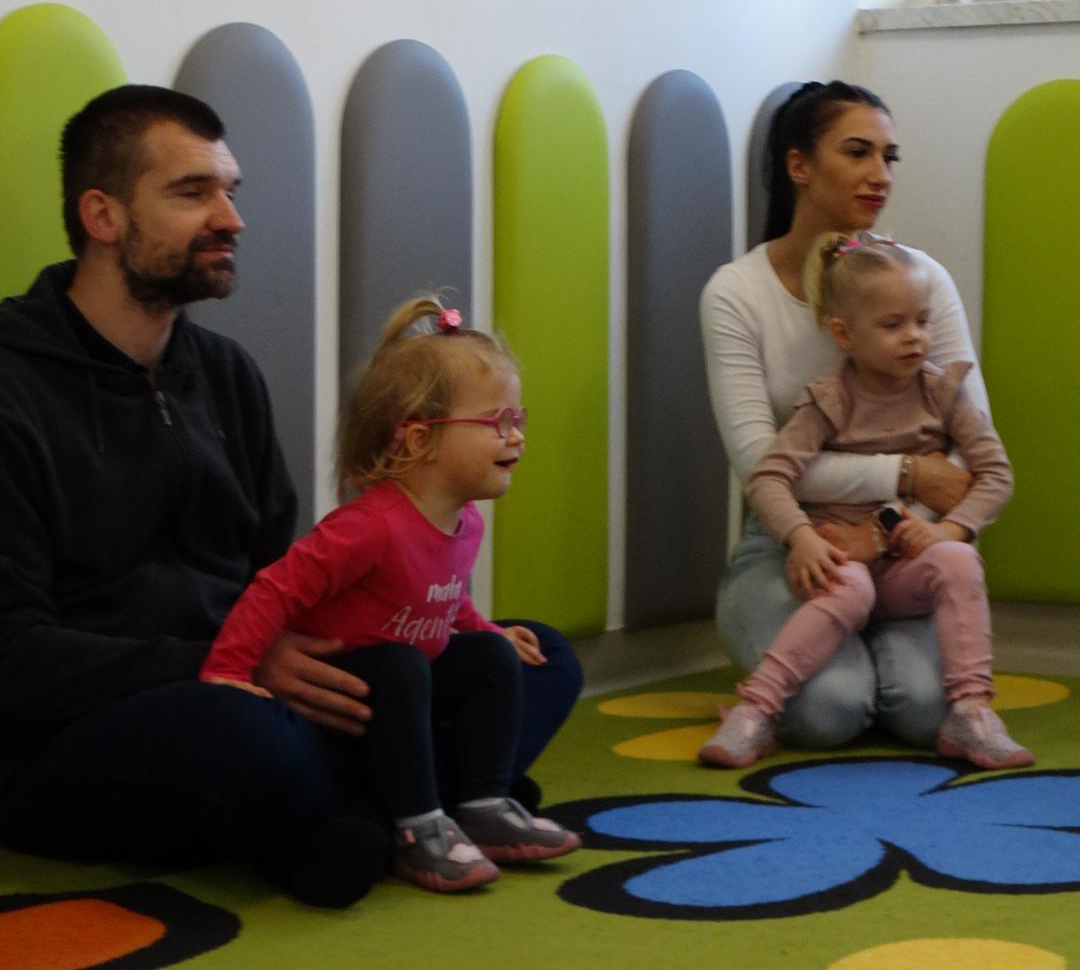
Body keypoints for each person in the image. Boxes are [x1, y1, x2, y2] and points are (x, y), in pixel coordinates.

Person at [0, 85, 581, 906]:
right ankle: (423, 802)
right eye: (193, 192)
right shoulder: (13, 385)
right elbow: (14, 653)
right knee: (244, 737)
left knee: (532, 659)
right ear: (103, 215)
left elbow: (280, 572)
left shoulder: (225, 373)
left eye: (230, 191)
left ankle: (374, 820)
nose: (231, 218)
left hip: (258, 683)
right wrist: (232, 662)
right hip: (96, 724)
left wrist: (343, 659)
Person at [202, 296, 582, 893]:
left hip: (409, 684)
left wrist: (486, 632)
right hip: (349, 690)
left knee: (500, 657)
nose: (516, 437)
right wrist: (228, 671)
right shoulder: (368, 527)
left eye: (518, 419)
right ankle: (417, 827)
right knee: (402, 665)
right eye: (496, 422)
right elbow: (273, 589)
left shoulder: (466, 521)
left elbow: (443, 597)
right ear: (418, 439)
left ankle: (482, 802)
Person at [700, 79, 997, 753]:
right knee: (830, 712)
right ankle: (805, 671)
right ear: (799, 166)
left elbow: (968, 457)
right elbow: (763, 466)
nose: (880, 175)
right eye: (858, 152)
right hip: (794, 542)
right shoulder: (735, 293)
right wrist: (908, 473)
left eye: (890, 157)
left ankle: (865, 649)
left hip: (906, 544)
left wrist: (889, 528)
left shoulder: (923, 279)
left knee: (925, 712)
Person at [698, 231, 1030, 771]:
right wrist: (801, 538)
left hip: (902, 562)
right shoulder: (829, 400)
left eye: (922, 320)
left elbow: (995, 473)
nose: (915, 337)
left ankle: (971, 711)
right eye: (892, 325)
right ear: (843, 334)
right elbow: (768, 477)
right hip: (839, 554)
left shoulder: (943, 392)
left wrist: (947, 531)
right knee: (849, 593)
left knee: (959, 561)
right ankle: (755, 709)